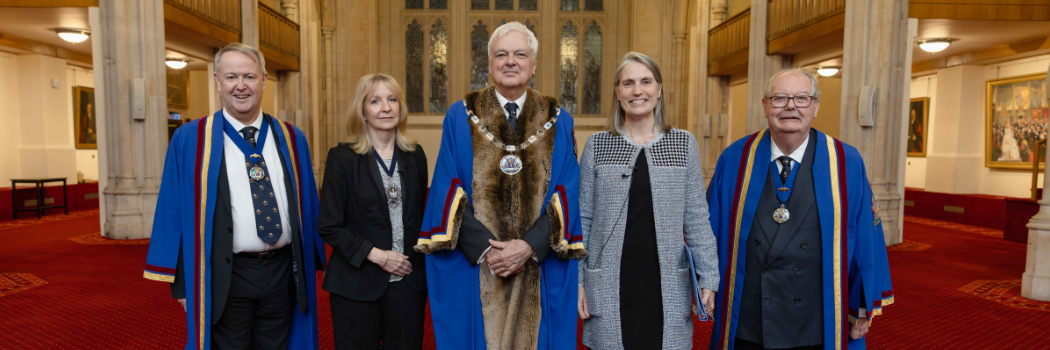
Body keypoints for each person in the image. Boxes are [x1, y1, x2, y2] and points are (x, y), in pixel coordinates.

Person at [413, 21, 587, 350]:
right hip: (478, 263)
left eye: (520, 54)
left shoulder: (557, 119)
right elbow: (447, 190)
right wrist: (487, 250)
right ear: (489, 63)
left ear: (533, 65)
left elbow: (568, 190)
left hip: (538, 261)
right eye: (501, 54)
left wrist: (529, 246)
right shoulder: (460, 115)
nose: (511, 61)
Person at [143, 43, 326, 350]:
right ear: (217, 81)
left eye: (249, 77)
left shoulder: (293, 138)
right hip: (225, 273)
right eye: (231, 77)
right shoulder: (191, 139)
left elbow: (308, 206)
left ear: (264, 80)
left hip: (282, 271)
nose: (241, 86)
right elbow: (172, 213)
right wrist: (184, 285)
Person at [707, 68, 894, 350]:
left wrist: (862, 306)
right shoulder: (735, 157)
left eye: (802, 98)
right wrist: (705, 285)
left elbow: (867, 238)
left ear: (816, 106)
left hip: (816, 321)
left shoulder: (844, 162)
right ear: (765, 105)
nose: (790, 106)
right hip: (748, 317)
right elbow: (708, 231)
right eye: (779, 98)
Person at [576, 52, 718, 350]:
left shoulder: (683, 144)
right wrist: (577, 282)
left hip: (665, 280)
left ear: (659, 89)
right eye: (628, 83)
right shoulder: (598, 146)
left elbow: (696, 217)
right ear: (617, 93)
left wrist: (709, 277)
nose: (637, 91)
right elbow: (583, 219)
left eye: (646, 82)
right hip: (611, 279)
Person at [318, 74, 428, 350]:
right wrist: (379, 256)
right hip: (356, 282)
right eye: (375, 101)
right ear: (362, 111)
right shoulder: (341, 158)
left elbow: (422, 214)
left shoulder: (416, 155)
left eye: (392, 99)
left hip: (407, 281)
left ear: (401, 107)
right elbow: (329, 225)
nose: (386, 107)